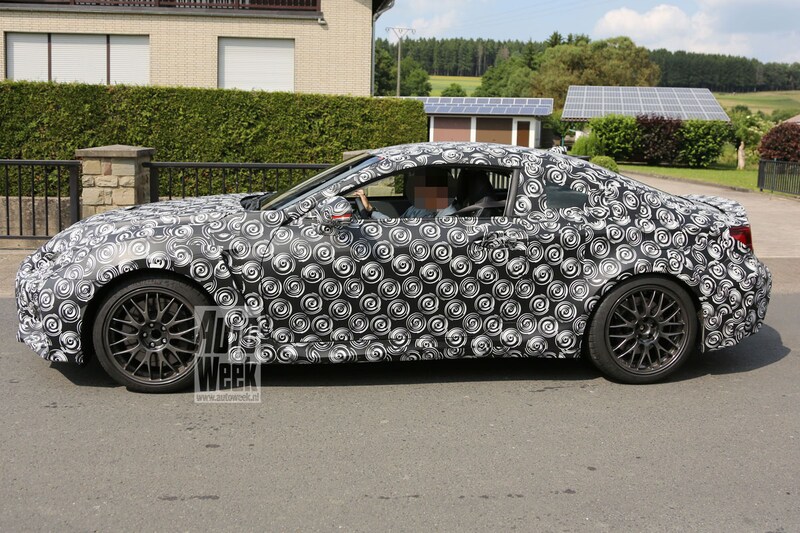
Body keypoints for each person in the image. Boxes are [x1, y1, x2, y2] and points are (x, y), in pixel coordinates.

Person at [354, 171, 457, 219]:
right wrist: (371, 210)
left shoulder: (448, 217)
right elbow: (395, 225)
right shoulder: (417, 208)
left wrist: (371, 212)